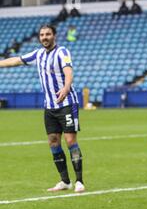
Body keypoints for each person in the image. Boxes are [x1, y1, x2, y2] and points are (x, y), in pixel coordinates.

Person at [0, 24, 85, 193]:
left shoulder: (62, 52)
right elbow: (16, 60)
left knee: (70, 141)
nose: (44, 37)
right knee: (53, 141)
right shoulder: (38, 54)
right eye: (42, 35)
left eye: (48, 34)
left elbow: (68, 71)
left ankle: (79, 181)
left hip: (67, 103)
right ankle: (65, 181)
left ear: (54, 35)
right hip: (50, 107)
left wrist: (66, 87)